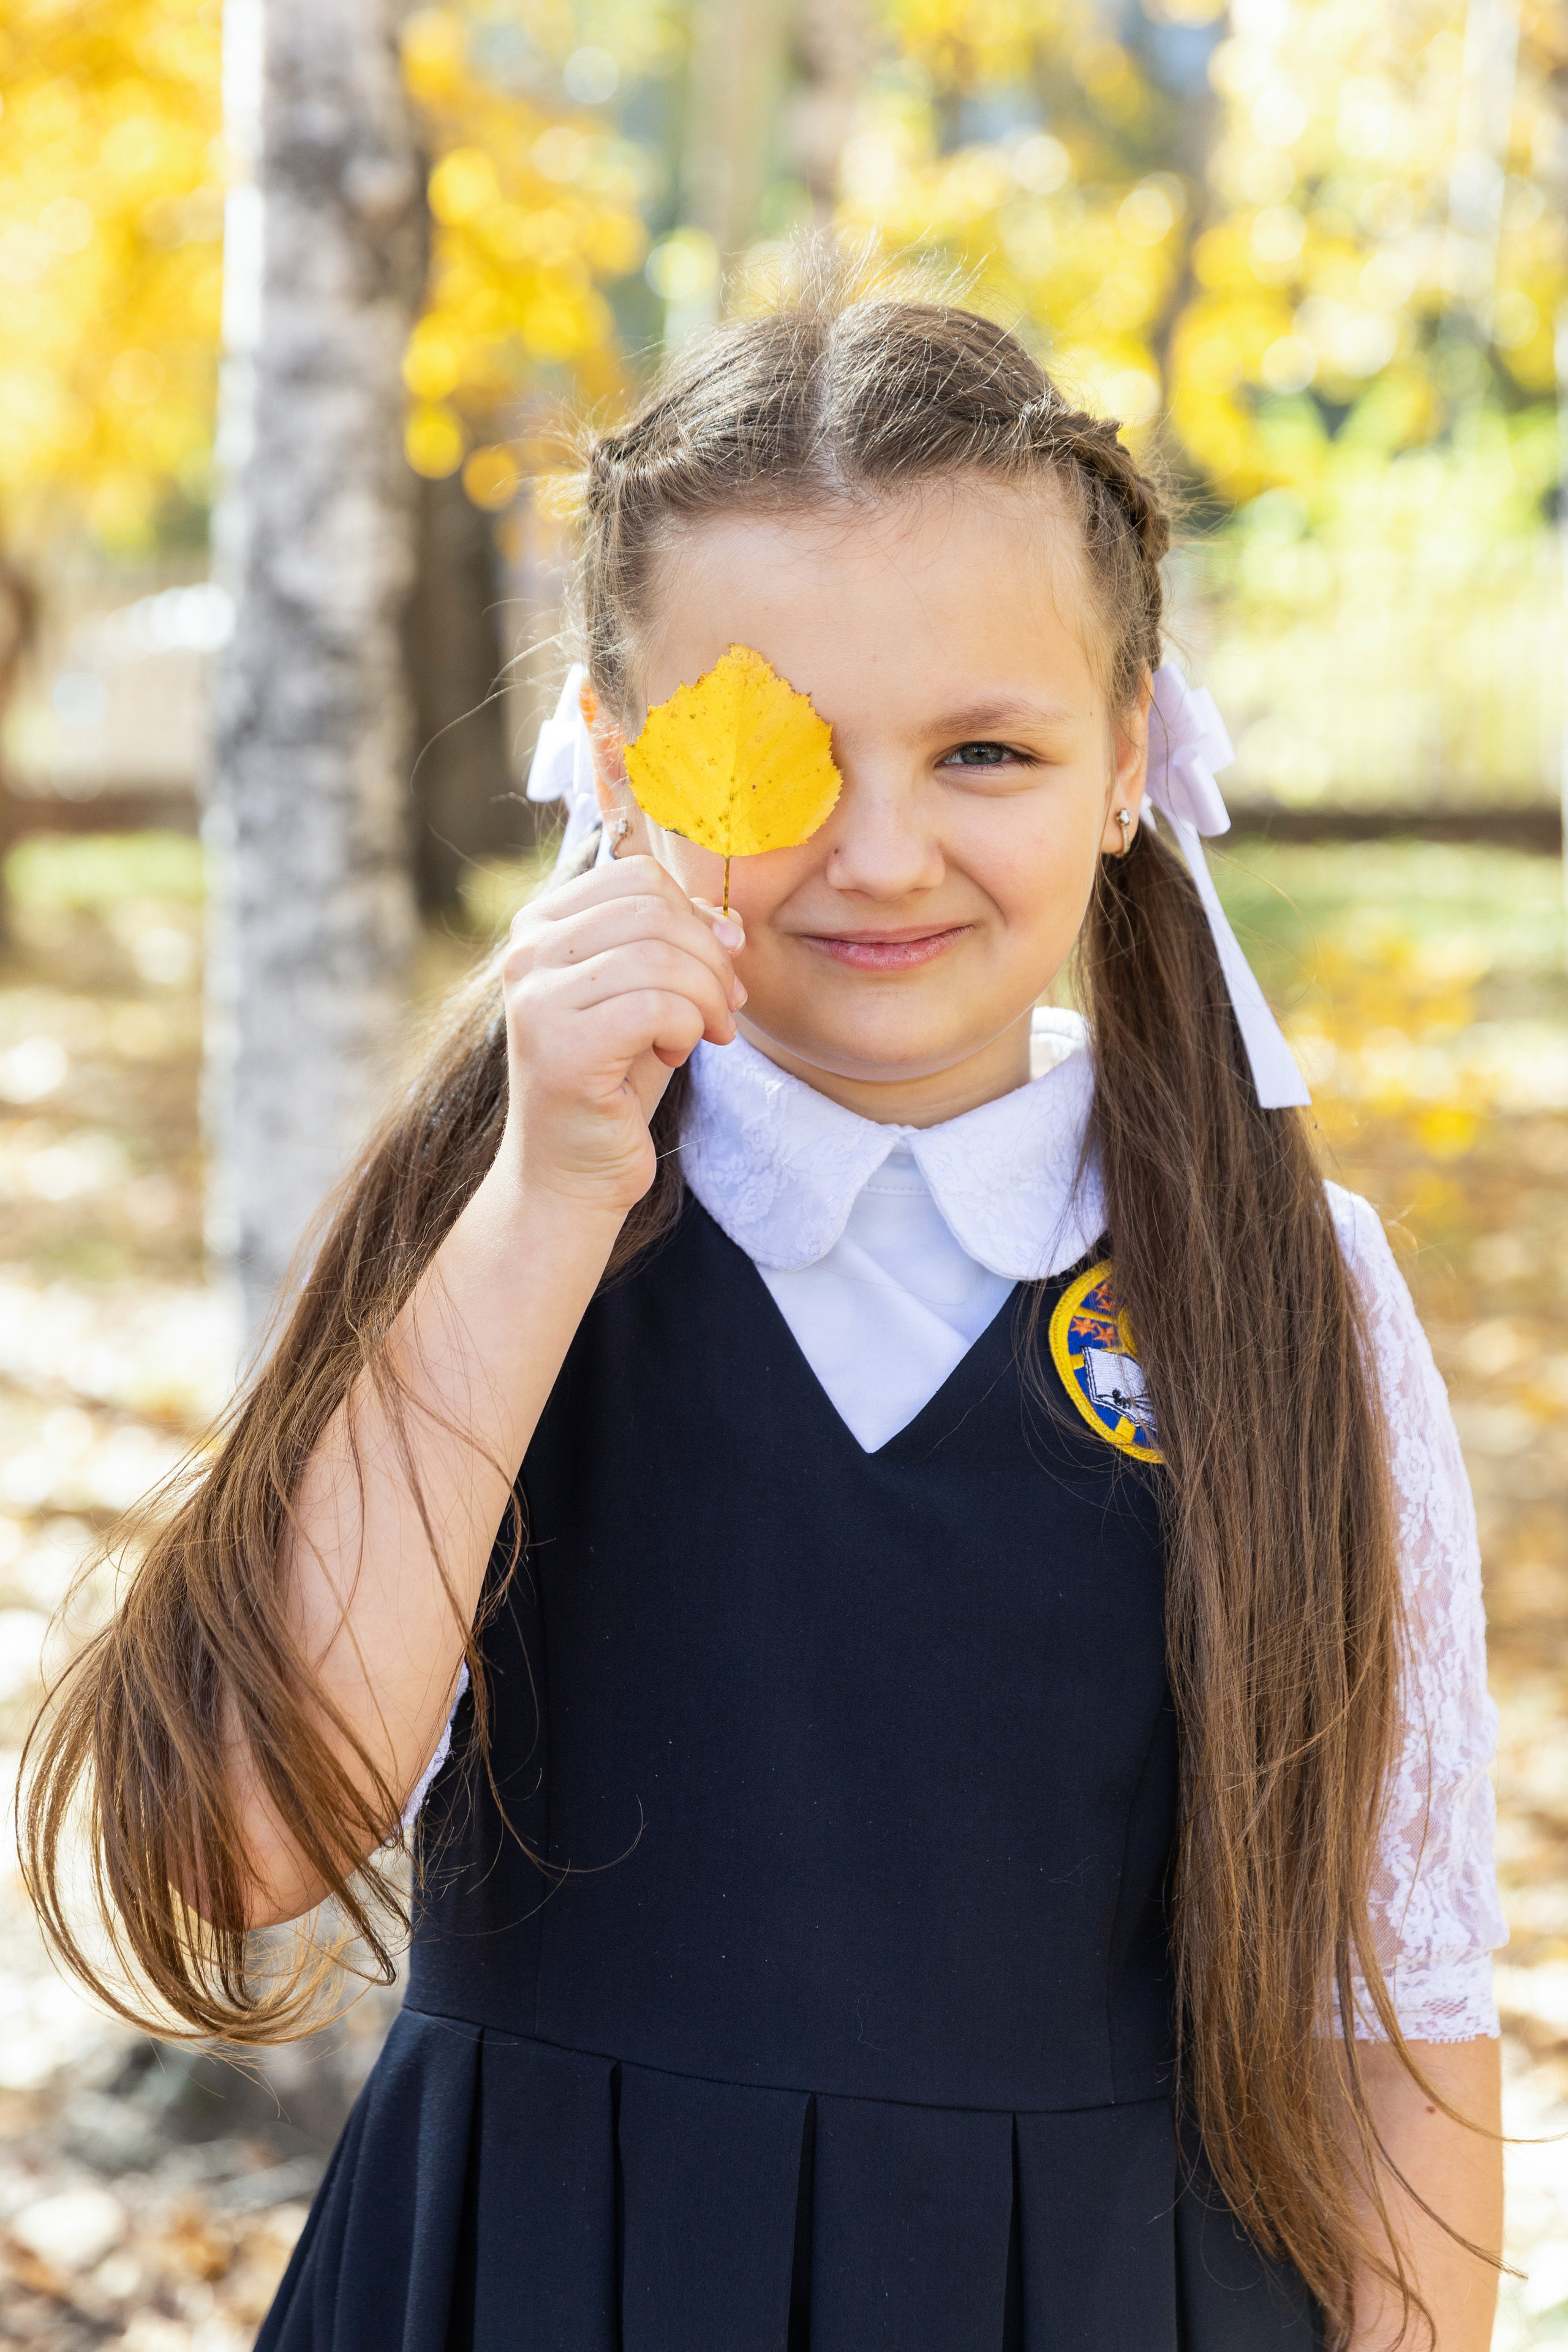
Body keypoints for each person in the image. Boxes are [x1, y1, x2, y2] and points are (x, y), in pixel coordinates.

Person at [23, 279, 1505, 2351]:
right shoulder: (505, 1227)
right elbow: (238, 1851)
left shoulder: (1287, 1284)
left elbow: (1397, 2013)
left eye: (984, 748)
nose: (880, 855)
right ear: (632, 768)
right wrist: (547, 1203)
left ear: (1130, 756)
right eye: (780, 756)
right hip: (534, 2283)